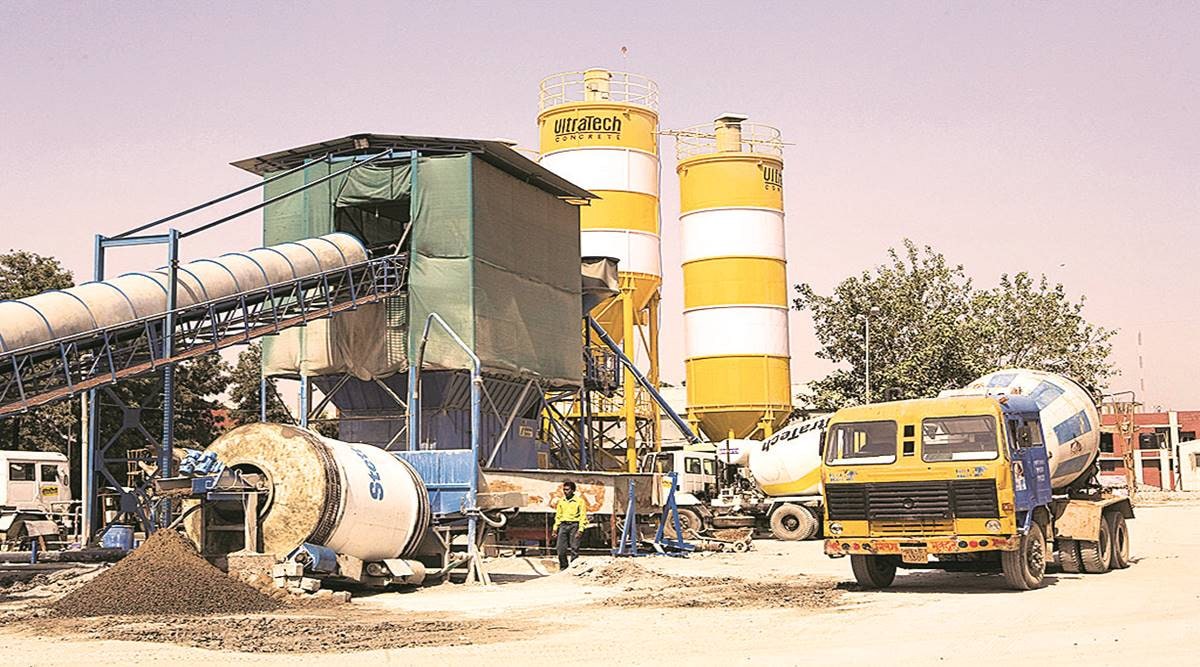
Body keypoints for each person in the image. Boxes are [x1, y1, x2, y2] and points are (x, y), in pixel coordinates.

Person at [553, 480, 588, 570]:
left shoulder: (579, 501)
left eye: (567, 490)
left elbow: (583, 516)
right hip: (563, 525)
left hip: (574, 525)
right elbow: (558, 515)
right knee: (560, 548)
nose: (565, 492)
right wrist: (555, 528)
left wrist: (581, 529)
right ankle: (563, 566)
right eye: (564, 490)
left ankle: (573, 567)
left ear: (573, 490)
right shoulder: (561, 501)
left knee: (574, 547)